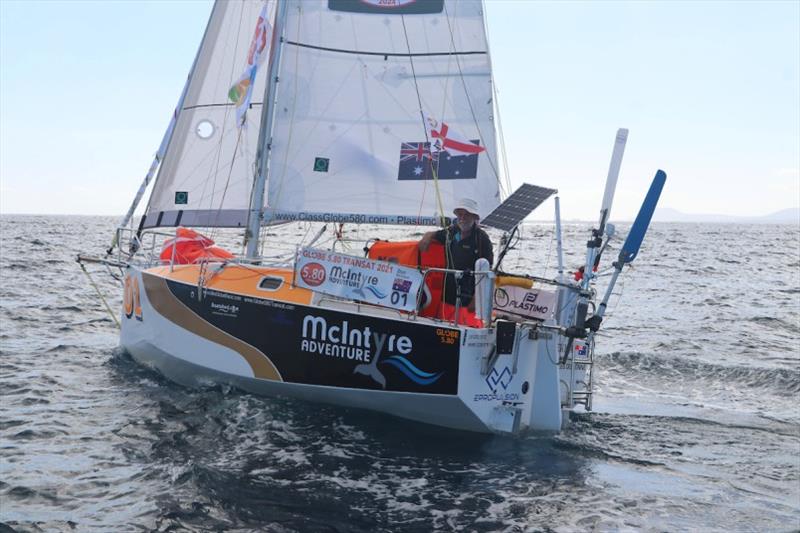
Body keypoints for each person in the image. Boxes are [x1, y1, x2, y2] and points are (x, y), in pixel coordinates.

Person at [418, 198, 494, 311]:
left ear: (474, 217)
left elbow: (487, 271)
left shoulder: (482, 239)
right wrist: (427, 236)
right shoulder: (452, 232)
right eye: (460, 214)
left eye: (466, 215)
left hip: (468, 293)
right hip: (447, 291)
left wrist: (476, 299)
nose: (462, 218)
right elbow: (435, 234)